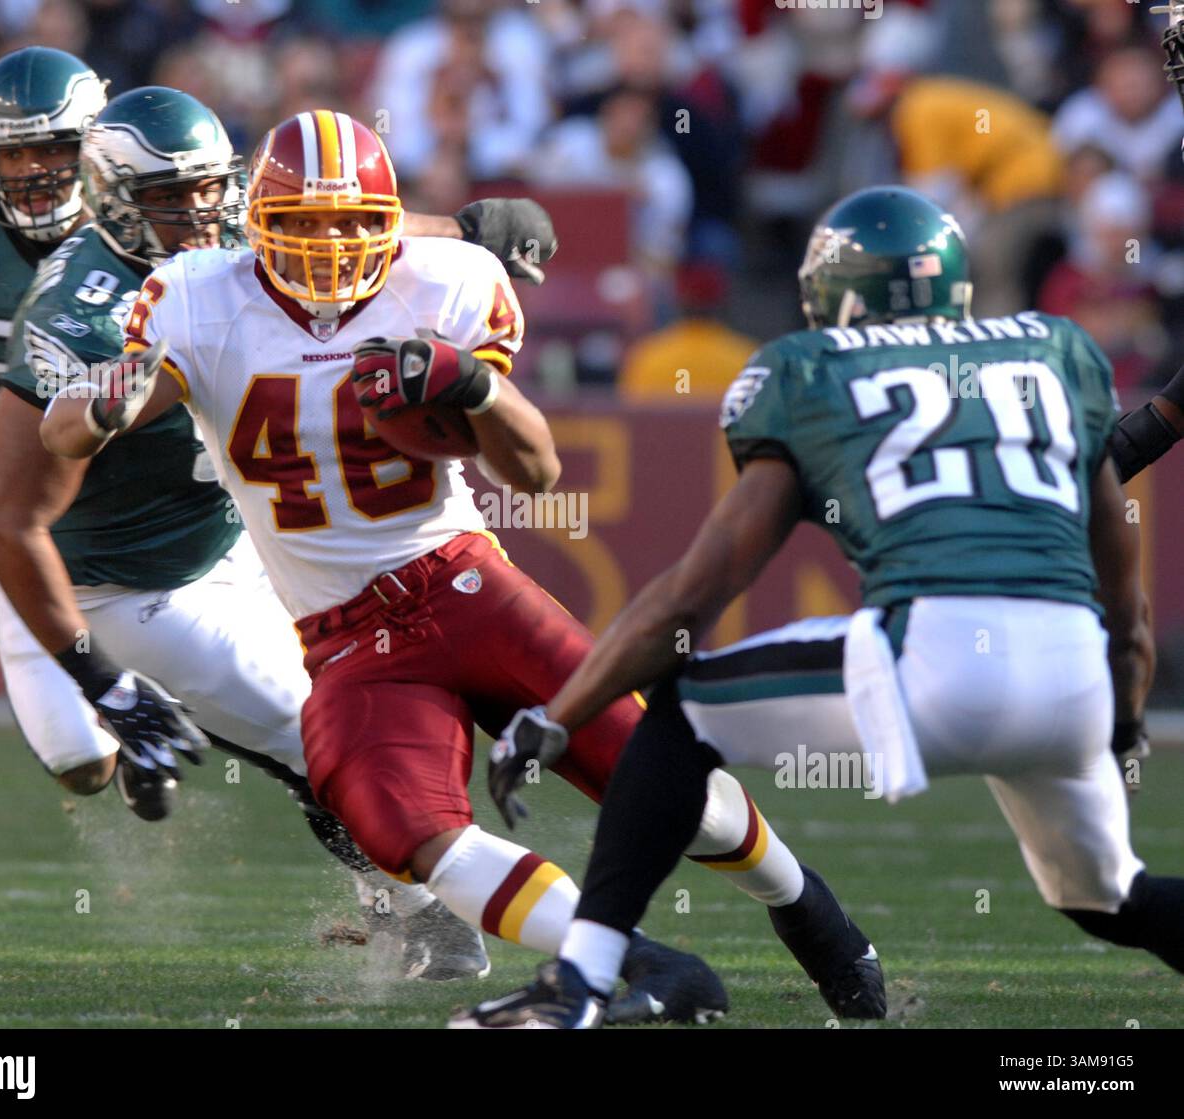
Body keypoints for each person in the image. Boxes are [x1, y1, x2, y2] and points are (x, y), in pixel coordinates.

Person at [38, 109, 888, 1025]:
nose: (329, 250)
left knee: (656, 779)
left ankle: (816, 915)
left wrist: (472, 383)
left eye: (352, 225)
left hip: (463, 583)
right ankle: (639, 960)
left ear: (388, 220)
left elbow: (535, 469)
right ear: (257, 224)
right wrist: (100, 403)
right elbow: (71, 425)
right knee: (405, 832)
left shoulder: (443, 280)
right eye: (305, 227)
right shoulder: (197, 296)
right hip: (346, 636)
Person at [0, 47, 559, 977]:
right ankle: (421, 900)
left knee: (328, 721)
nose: (199, 217)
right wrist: (98, 673)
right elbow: (16, 520)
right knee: (166, 747)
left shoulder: (204, 242)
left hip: (229, 533)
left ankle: (411, 906)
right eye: (171, 200)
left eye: (208, 193)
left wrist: (467, 225)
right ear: (116, 195)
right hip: (110, 578)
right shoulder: (81, 306)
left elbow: (299, 220)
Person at [470, 186, 1184, 1027]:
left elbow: (691, 599)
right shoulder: (1053, 350)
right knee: (1109, 897)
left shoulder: (812, 373)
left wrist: (559, 713)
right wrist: (1124, 718)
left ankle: (580, 979)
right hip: (1072, 677)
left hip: (935, 658)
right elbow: (1125, 598)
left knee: (685, 714)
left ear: (841, 295)